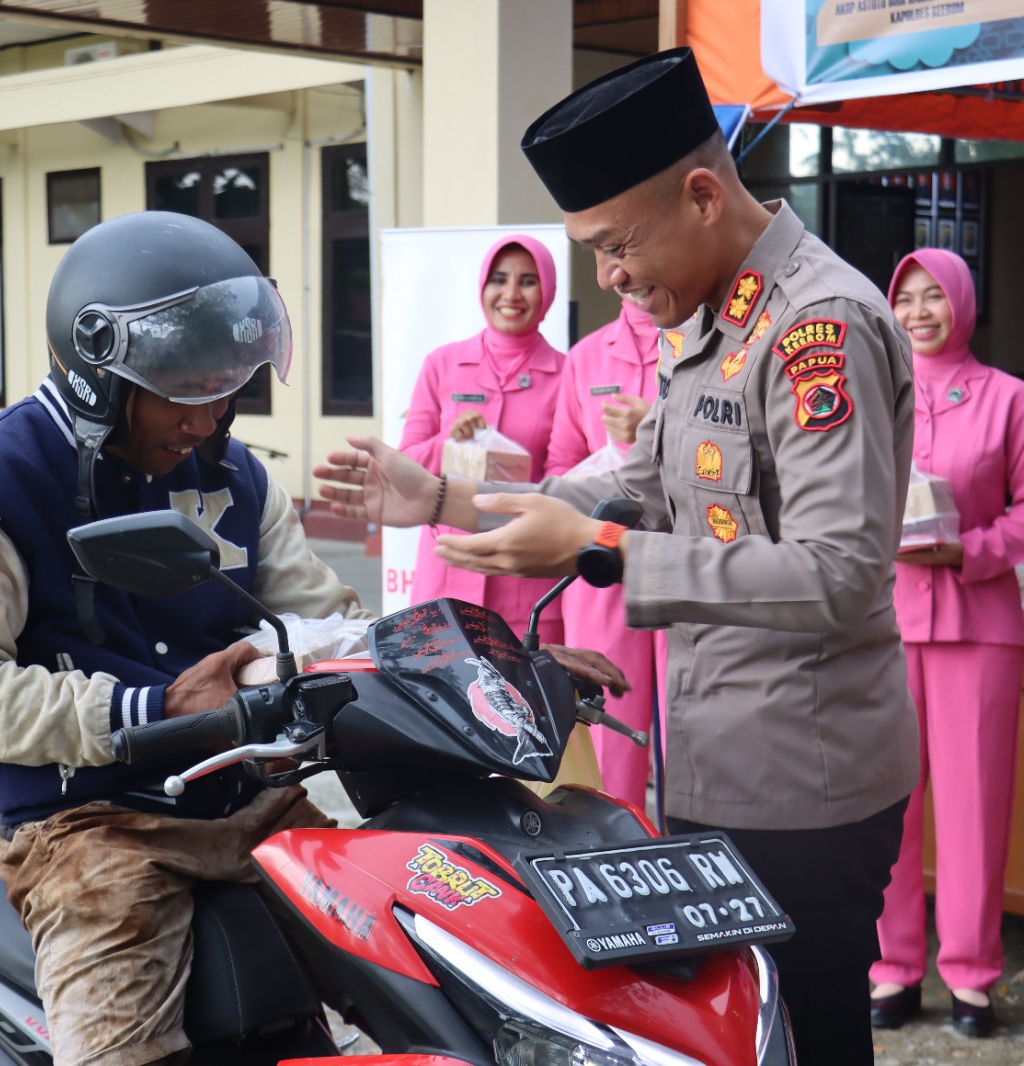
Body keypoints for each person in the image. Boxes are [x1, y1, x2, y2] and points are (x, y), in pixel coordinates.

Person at [315, 46, 919, 1065]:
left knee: (806, 1031)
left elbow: (837, 572)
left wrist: (604, 549)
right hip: (719, 756)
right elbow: (635, 476)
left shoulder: (818, 327)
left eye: (616, 246)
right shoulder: (719, 315)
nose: (609, 278)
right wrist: (442, 497)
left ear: (701, 196)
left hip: (804, 777)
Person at [0, 211, 375, 1066]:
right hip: (87, 827)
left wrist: (469, 660)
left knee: (428, 959)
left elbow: (323, 620)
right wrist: (155, 707)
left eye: (226, 385)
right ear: (98, 376)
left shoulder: (239, 476)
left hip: (250, 801)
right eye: (183, 388)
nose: (207, 416)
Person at [869, 249, 1024, 1039]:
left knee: (974, 807)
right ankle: (891, 967)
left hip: (978, 626)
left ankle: (973, 976)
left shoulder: (1010, 399)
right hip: (883, 625)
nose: (919, 312)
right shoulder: (871, 393)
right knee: (888, 803)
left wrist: (970, 550)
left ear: (963, 303)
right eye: (905, 298)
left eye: (933, 297)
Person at [399, 234, 567, 643]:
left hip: (526, 577)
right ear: (483, 286)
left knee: (526, 685)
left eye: (528, 281)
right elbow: (405, 467)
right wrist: (447, 443)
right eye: (499, 279)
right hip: (447, 573)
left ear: (547, 290)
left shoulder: (567, 374)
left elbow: (567, 481)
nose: (512, 294)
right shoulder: (442, 364)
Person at [545, 298, 665, 802]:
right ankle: (615, 846)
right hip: (604, 561)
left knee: (692, 738)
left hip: (685, 558)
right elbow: (562, 462)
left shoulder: (707, 347)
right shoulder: (587, 356)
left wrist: (656, 429)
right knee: (607, 738)